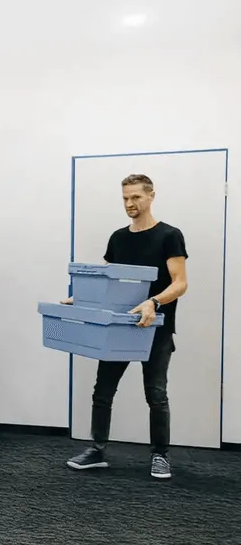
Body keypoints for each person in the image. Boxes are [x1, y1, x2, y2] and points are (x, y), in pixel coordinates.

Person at [66, 174, 188, 480]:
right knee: (102, 391)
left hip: (155, 327)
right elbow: (109, 279)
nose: (130, 204)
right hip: (117, 327)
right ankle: (97, 450)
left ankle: (160, 455)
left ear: (151, 196)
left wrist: (153, 302)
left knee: (156, 394)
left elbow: (181, 283)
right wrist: (80, 297)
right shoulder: (118, 238)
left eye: (135, 197)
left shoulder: (170, 235)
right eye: (125, 198)